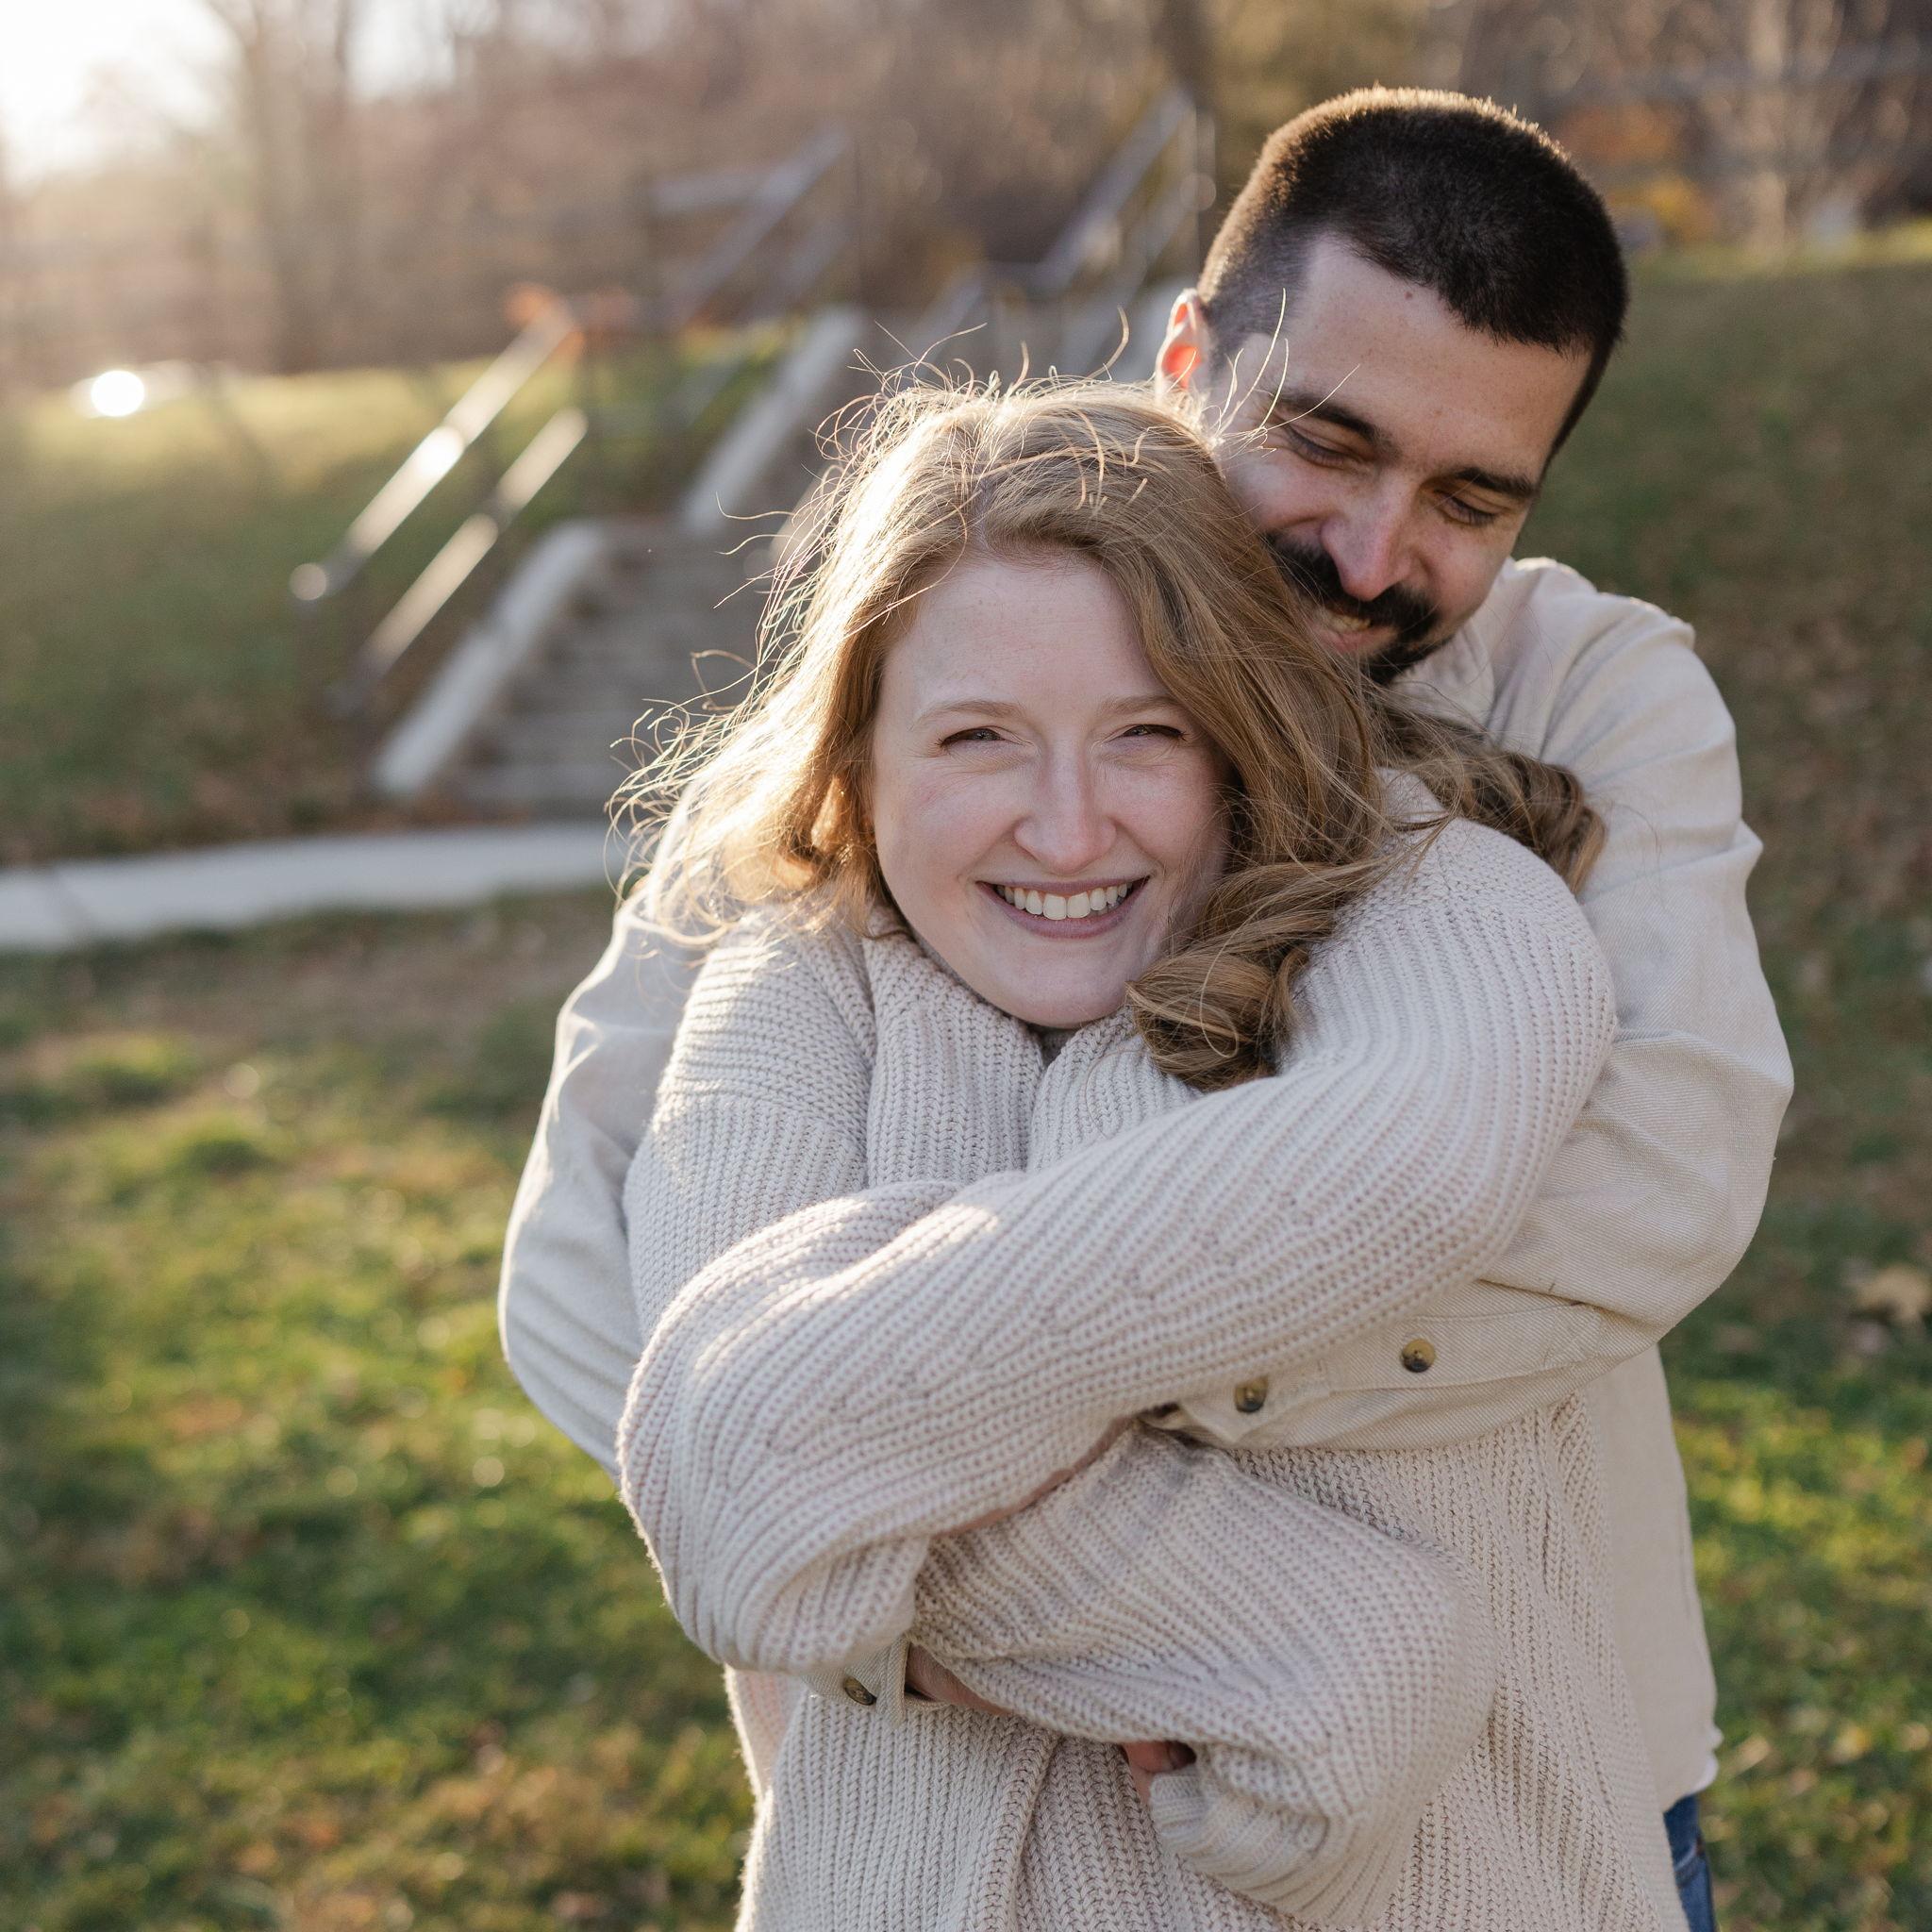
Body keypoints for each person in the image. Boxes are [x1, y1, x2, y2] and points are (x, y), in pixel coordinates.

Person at [498, 87, 1791, 1931]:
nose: (1373, 552)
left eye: (1468, 499)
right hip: (947, 1799)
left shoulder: (1588, 701)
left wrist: (948, 1426)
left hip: (1520, 1772)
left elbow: (1646, 1185)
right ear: (1192, 359)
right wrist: (954, 1605)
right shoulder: (950, 629)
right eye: (1327, 443)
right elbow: (590, 1253)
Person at [614, 376, 1680, 1928]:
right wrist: (1332, 1644)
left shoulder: (1436, 909)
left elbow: (1404, 1181)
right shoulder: (792, 990)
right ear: (858, 757)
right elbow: (732, 1470)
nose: (1067, 830)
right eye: (979, 738)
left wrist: (871, 1486)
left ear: (1241, 732)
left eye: (1146, 734)